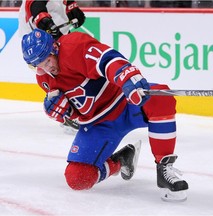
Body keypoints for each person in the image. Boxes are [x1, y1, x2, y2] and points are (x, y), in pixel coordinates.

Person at [21, 28, 189, 201]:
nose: (46, 68)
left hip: (124, 103)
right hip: (99, 126)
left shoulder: (73, 46)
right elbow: (76, 111)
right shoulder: (44, 78)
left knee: (160, 97)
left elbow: (106, 59)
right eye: (39, 65)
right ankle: (122, 160)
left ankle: (164, 168)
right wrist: (65, 113)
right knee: (77, 178)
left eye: (47, 60)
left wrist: (125, 76)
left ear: (54, 48)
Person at [18, 0, 86, 134]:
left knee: (66, 65)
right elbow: (34, 4)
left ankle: (75, 108)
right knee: (51, 68)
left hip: (56, 23)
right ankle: (67, 112)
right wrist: (42, 18)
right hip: (39, 28)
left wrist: (71, 7)